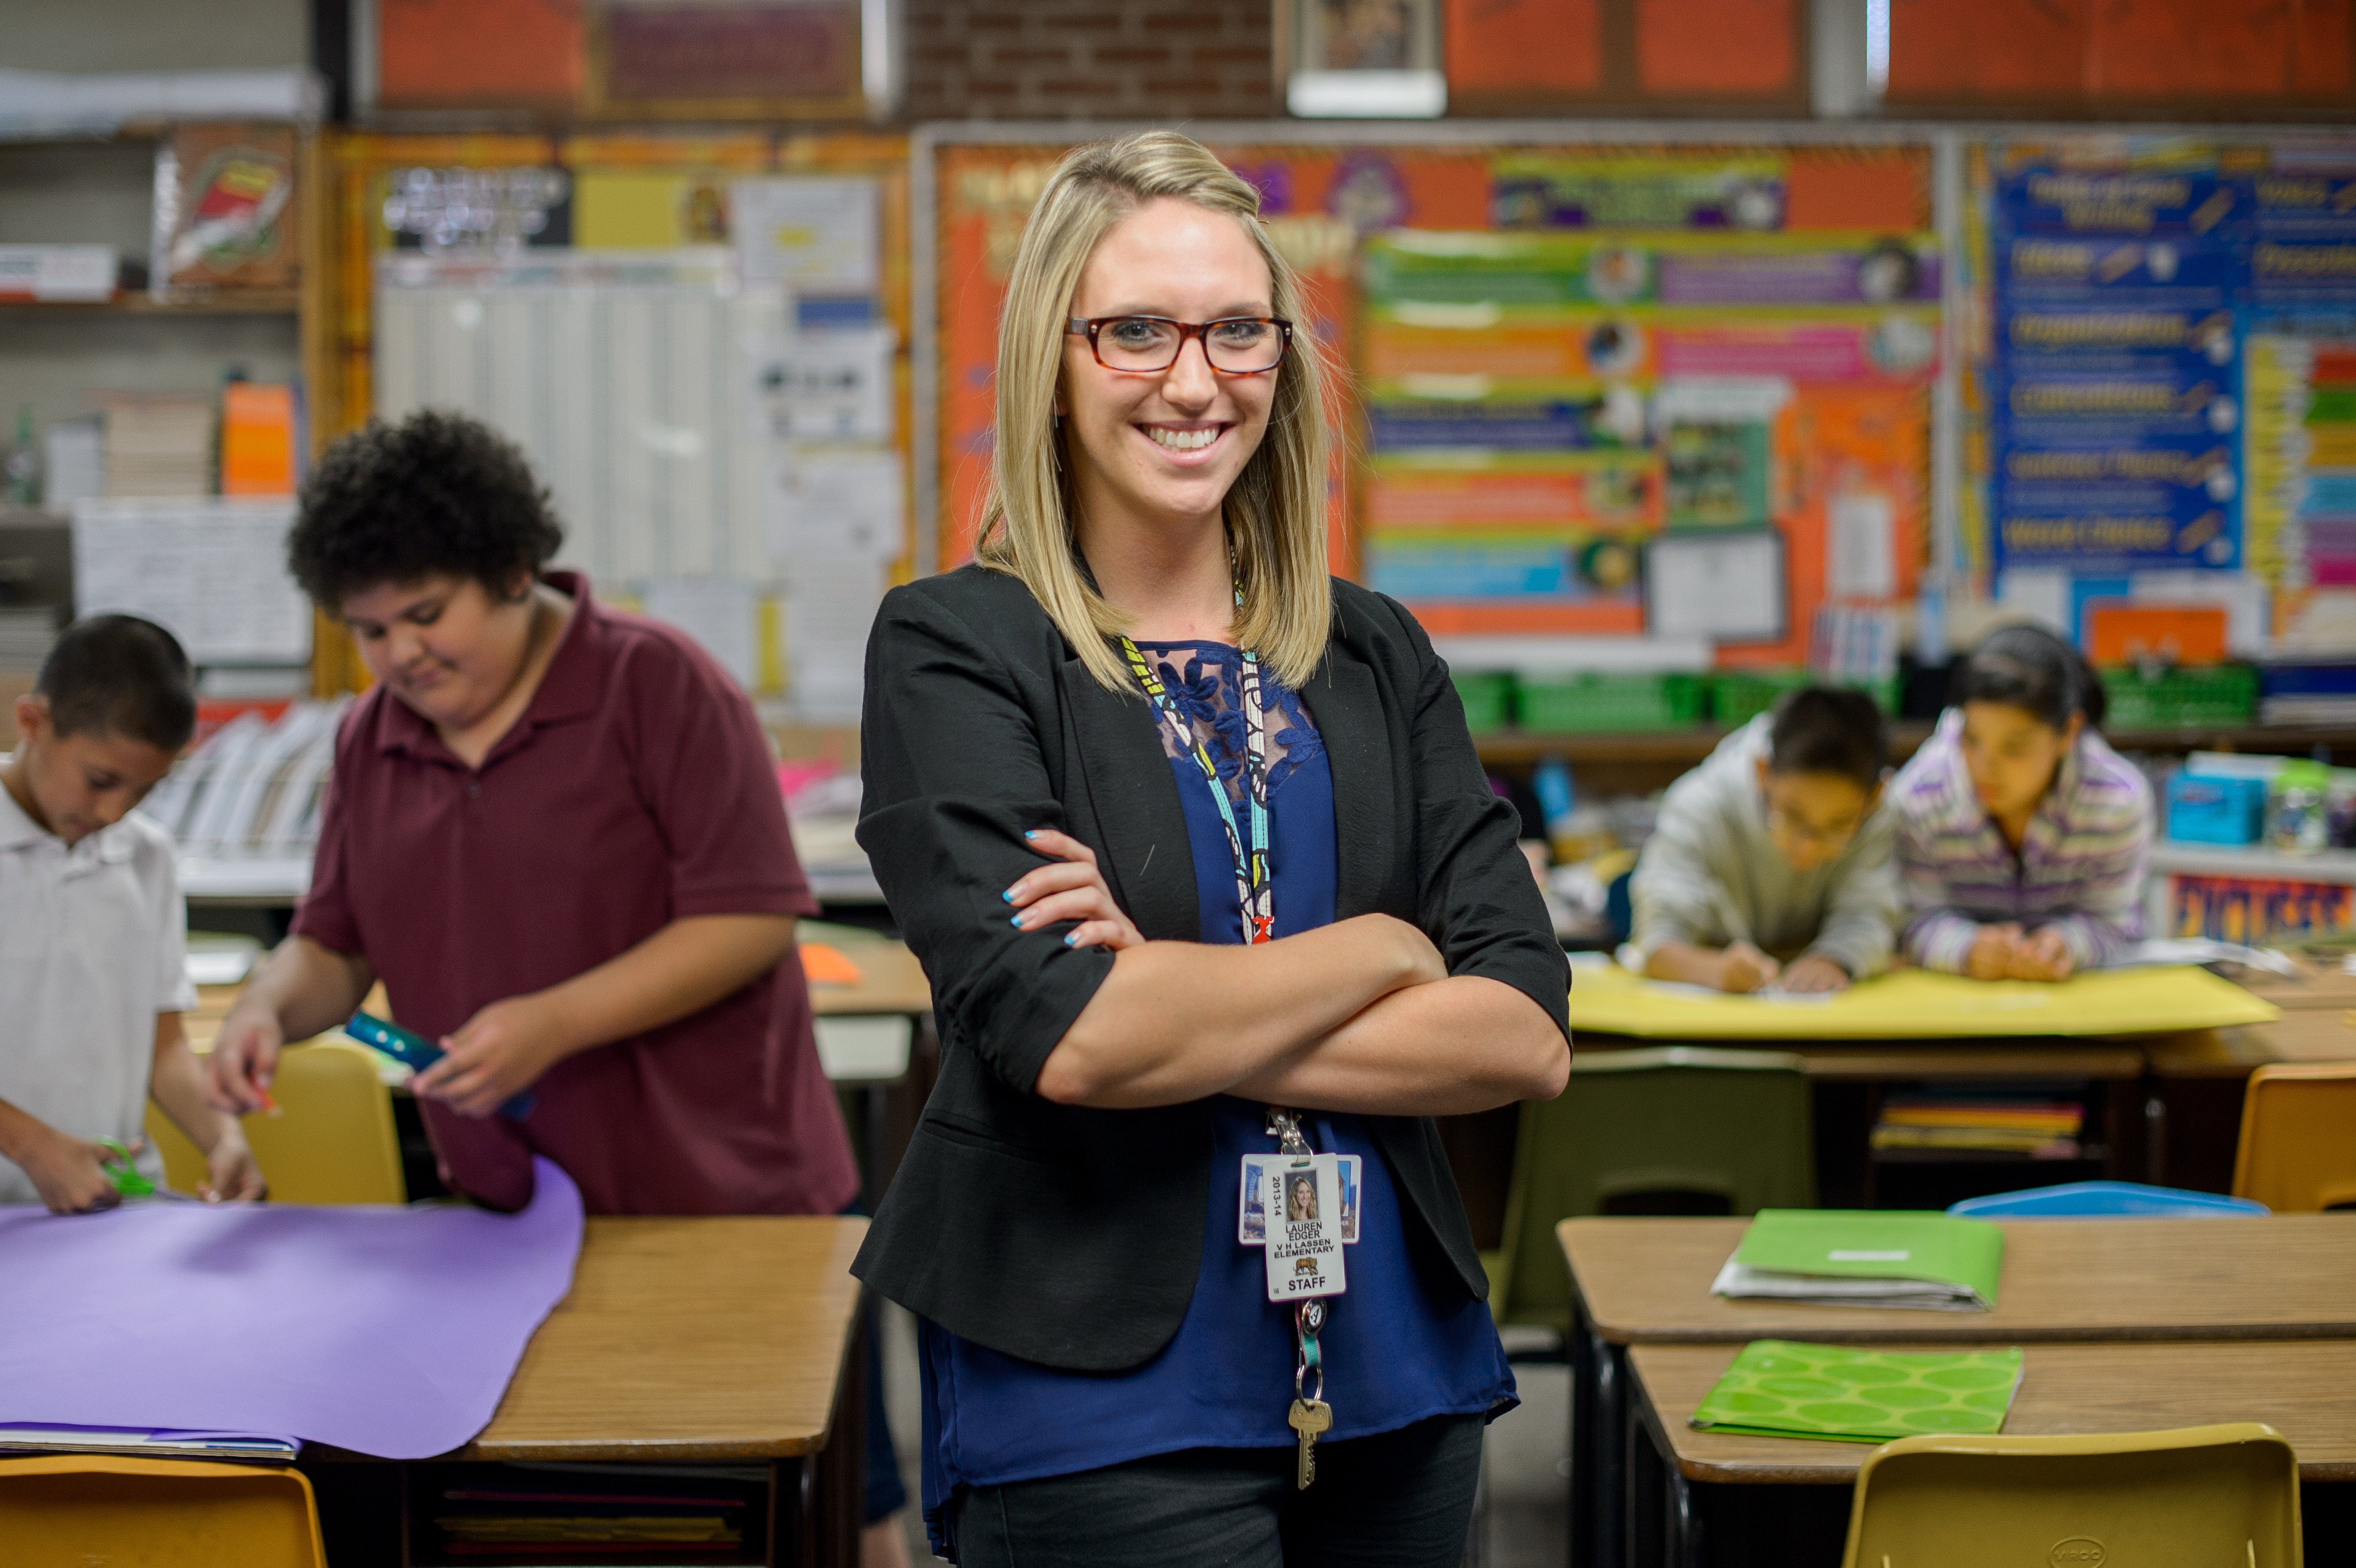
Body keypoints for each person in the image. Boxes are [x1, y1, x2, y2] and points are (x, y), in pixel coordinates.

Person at [854, 131, 1571, 1567]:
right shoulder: (962, 648)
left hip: (1395, 1374)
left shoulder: (1370, 650)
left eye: (1238, 329)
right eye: (1136, 330)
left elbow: (1524, 1034)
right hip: (1099, 1389)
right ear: (1053, 358)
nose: (1195, 379)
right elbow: (1071, 1041)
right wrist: (1381, 949)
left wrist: (1170, 1002)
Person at [203, 411, 908, 1564]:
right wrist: (263, 1009)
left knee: (833, 1515)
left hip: (728, 1207)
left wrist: (554, 1023)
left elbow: (750, 914)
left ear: (514, 571)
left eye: (427, 615)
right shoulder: (371, 739)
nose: (401, 656)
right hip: (511, 1227)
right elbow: (332, 945)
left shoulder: (660, 686)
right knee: (570, 1519)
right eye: (370, 630)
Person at [0, 616, 263, 1213]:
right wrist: (33, 1145)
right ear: (32, 723)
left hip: (106, 1202)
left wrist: (220, 1134)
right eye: (100, 780)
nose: (116, 808)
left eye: (144, 790)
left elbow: (162, 1042)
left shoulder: (147, 856)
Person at [1889, 623, 2152, 979]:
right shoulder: (1920, 797)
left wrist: (2067, 945)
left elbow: (2115, 923)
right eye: (1972, 739)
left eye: (2014, 749)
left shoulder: (2117, 800)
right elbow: (1909, 919)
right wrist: (1964, 948)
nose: (1984, 768)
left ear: (2069, 734)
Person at [1629, 686, 1901, 994]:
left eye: (1837, 827)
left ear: (1875, 798)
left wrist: (1834, 960)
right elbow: (1657, 944)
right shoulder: (1701, 805)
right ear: (1762, 773)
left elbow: (1870, 916)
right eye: (1793, 818)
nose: (1806, 848)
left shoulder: (1880, 814)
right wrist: (1716, 971)